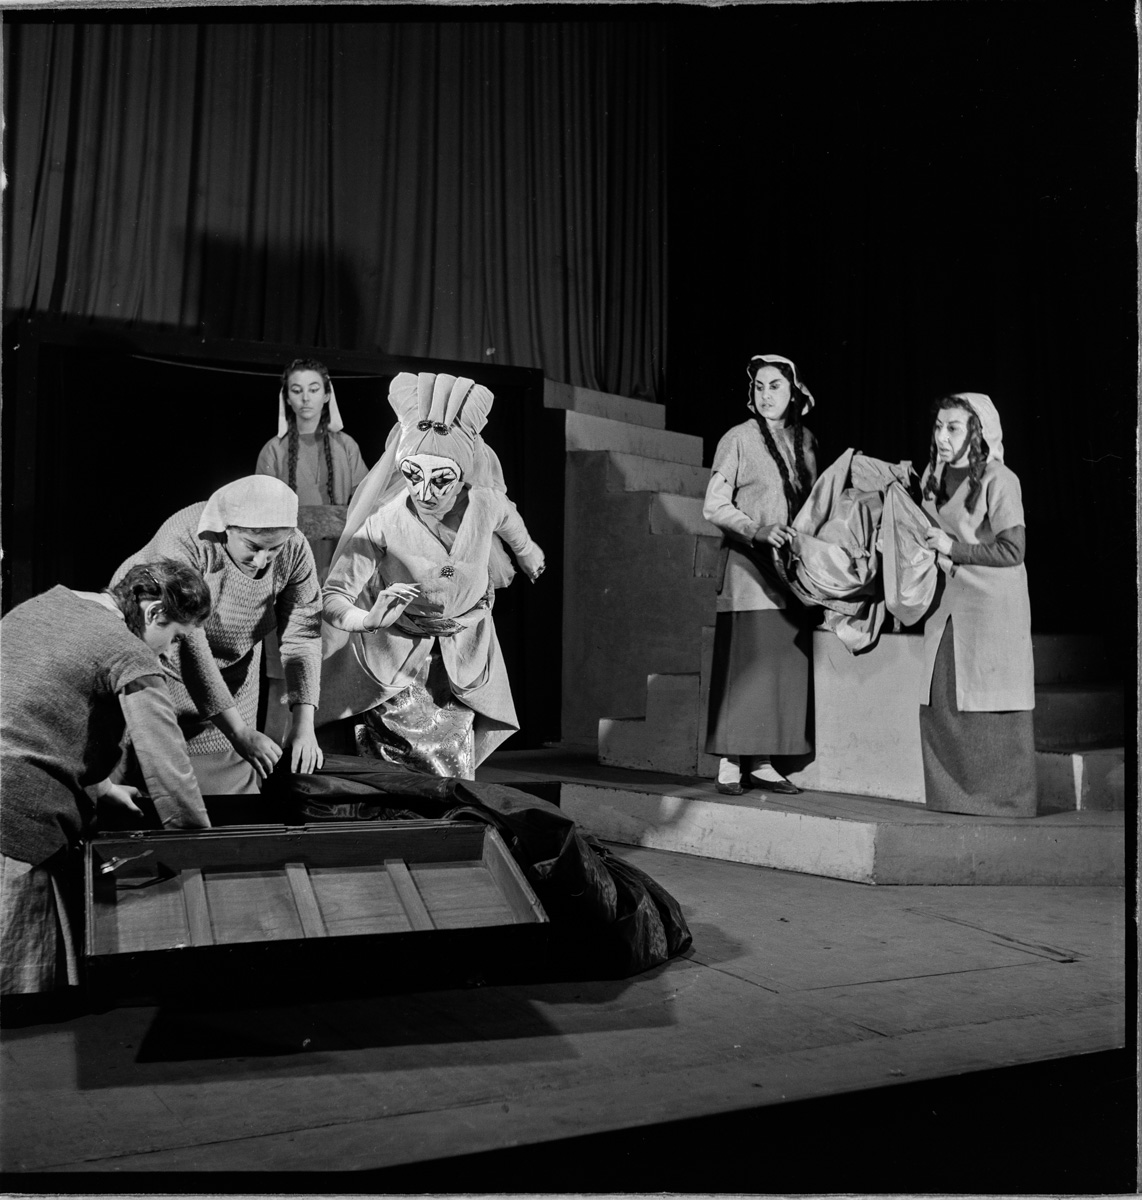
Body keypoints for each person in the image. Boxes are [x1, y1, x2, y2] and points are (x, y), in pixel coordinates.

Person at [1, 560, 213, 997]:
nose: (170, 653)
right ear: (154, 612)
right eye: (175, 637)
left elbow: (36, 708)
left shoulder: (47, 604)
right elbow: (167, 764)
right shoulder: (129, 652)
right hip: (15, 822)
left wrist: (104, 787)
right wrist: (203, 848)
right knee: (26, 1002)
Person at [319, 371, 545, 779]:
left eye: (442, 479)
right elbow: (334, 595)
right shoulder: (384, 521)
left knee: (451, 769)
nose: (425, 492)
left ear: (464, 472)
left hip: (462, 660)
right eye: (412, 475)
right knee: (399, 771)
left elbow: (509, 521)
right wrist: (366, 619)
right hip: (397, 665)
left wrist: (528, 553)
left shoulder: (484, 503)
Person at [112, 476, 324, 796]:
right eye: (253, 547)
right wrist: (237, 731)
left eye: (274, 549)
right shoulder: (184, 540)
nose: (262, 561)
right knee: (154, 786)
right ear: (227, 528)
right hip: (161, 658)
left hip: (233, 672)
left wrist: (303, 724)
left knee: (231, 791)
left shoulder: (294, 548)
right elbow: (189, 645)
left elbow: (303, 633)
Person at [702, 354, 819, 796]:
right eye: (759, 386)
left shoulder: (808, 443)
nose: (766, 395)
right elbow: (714, 505)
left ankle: (764, 762)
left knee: (780, 665)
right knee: (746, 663)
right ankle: (731, 761)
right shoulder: (738, 438)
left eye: (775, 386)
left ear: (794, 392)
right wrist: (756, 530)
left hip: (791, 573)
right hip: (748, 566)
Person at [918, 393, 1036, 816]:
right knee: (942, 697)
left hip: (993, 606)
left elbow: (1013, 550)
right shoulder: (933, 476)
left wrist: (953, 547)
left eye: (953, 428)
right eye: (939, 427)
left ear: (978, 433)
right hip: (952, 600)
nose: (942, 436)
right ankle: (953, 800)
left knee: (991, 700)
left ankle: (1005, 803)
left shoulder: (1001, 480)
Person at [256, 358, 369, 739]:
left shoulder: (346, 447)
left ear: (326, 394)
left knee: (336, 664)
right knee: (283, 666)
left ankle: (323, 751)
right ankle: (275, 753)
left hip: (336, 569)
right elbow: (262, 516)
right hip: (287, 569)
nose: (305, 398)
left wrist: (332, 522)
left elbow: (366, 506)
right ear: (287, 397)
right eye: (297, 390)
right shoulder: (273, 451)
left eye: (313, 389)